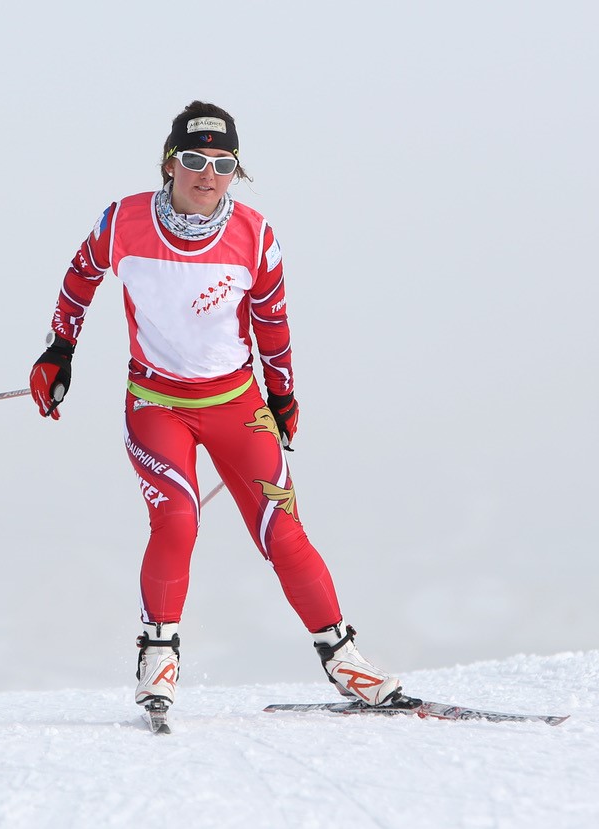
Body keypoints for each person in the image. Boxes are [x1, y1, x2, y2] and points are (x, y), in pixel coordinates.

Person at [29, 100, 404, 719]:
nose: (208, 174)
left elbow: (272, 320)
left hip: (238, 405)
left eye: (223, 163)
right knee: (177, 520)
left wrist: (282, 396)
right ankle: (158, 658)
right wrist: (58, 349)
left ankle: (346, 662)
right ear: (171, 162)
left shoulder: (254, 234)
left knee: (282, 530)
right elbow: (82, 274)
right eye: (196, 159)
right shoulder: (124, 221)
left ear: (236, 170)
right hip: (157, 404)